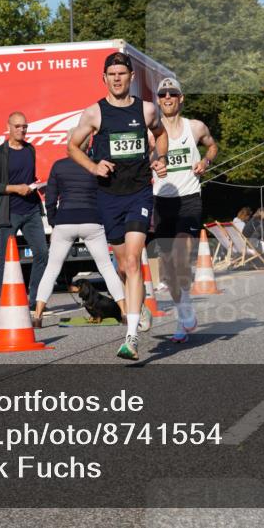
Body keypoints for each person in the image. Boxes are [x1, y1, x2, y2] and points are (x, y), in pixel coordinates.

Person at [68, 51, 168, 361]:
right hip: (109, 197)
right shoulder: (94, 114)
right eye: (111, 74)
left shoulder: (147, 110)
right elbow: (72, 146)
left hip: (139, 193)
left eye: (122, 74)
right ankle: (139, 306)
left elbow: (161, 134)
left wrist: (160, 158)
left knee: (134, 261)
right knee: (123, 266)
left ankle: (131, 337)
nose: (117, 79)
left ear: (131, 77)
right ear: (104, 78)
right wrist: (93, 166)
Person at [31, 134, 127, 329]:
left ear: (70, 144)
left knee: (52, 269)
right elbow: (106, 195)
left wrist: (54, 221)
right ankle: (124, 312)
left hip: (65, 220)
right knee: (106, 267)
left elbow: (50, 198)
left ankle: (38, 316)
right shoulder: (96, 165)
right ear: (88, 144)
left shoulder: (59, 166)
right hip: (92, 220)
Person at [149, 77, 218, 344]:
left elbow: (212, 146)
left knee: (180, 254)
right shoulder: (151, 132)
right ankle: (184, 312)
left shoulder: (195, 127)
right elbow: (140, 162)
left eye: (172, 93)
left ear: (181, 98)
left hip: (189, 199)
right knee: (168, 270)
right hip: (161, 201)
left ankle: (182, 318)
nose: (167, 97)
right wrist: (151, 166)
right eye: (163, 94)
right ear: (158, 100)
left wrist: (205, 161)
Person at [0, 111, 49, 310]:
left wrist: (37, 186)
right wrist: (15, 188)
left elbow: (28, 177)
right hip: (9, 213)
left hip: (32, 211)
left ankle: (34, 301)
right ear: (8, 127)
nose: (22, 130)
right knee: (5, 259)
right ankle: (6, 303)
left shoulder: (30, 150)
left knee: (42, 254)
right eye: (18, 126)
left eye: (25, 126)